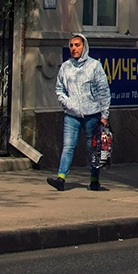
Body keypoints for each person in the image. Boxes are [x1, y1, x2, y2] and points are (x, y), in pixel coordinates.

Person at [47, 33, 111, 191]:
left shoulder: (94, 66)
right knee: (68, 146)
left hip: (92, 115)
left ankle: (94, 180)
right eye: (71, 45)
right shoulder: (65, 67)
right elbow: (59, 90)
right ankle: (61, 179)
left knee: (92, 148)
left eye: (77, 45)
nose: (74, 48)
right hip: (71, 116)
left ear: (84, 47)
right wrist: (67, 103)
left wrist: (104, 115)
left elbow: (104, 91)